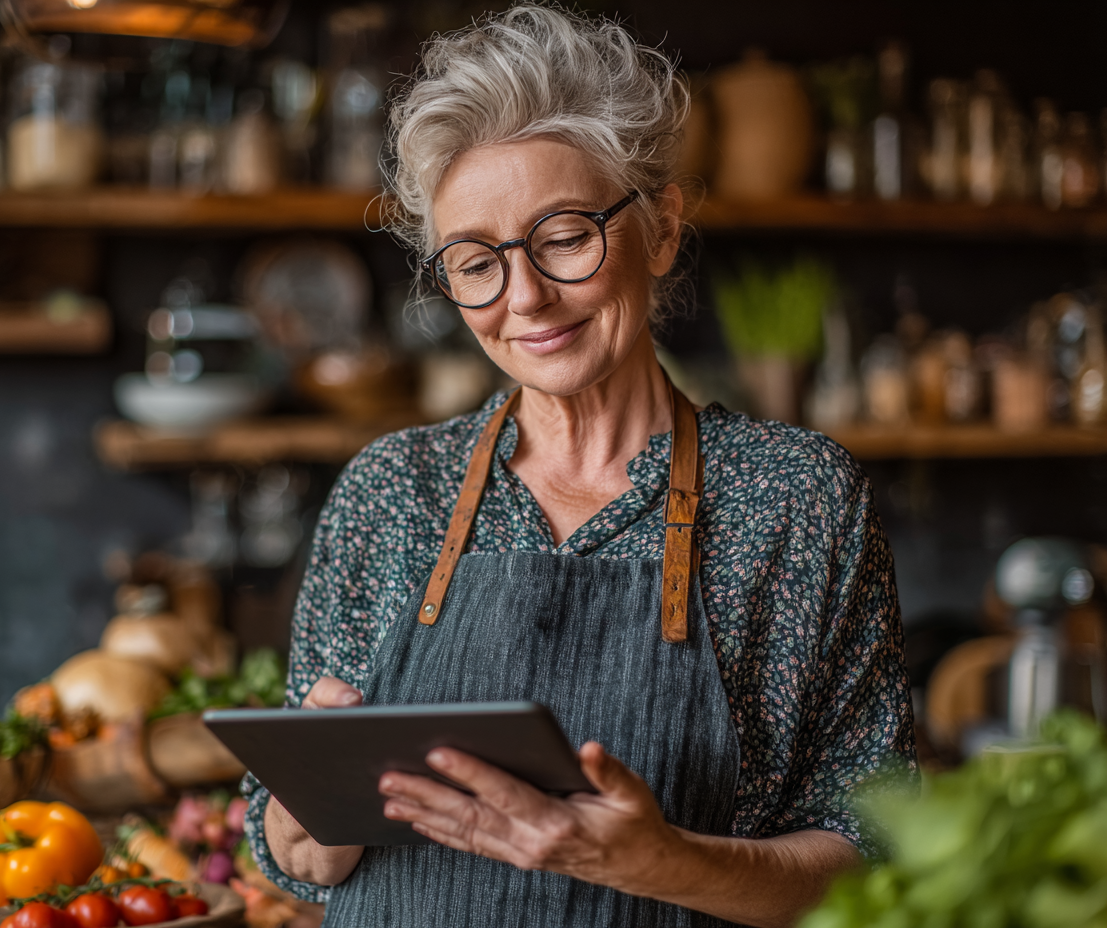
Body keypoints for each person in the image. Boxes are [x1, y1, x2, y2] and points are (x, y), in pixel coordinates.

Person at [243, 6, 917, 927]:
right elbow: (296, 857)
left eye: (563, 237)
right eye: (475, 262)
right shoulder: (391, 490)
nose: (523, 298)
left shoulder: (796, 497)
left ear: (663, 228)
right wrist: (307, 814)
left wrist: (663, 862)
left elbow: (871, 857)